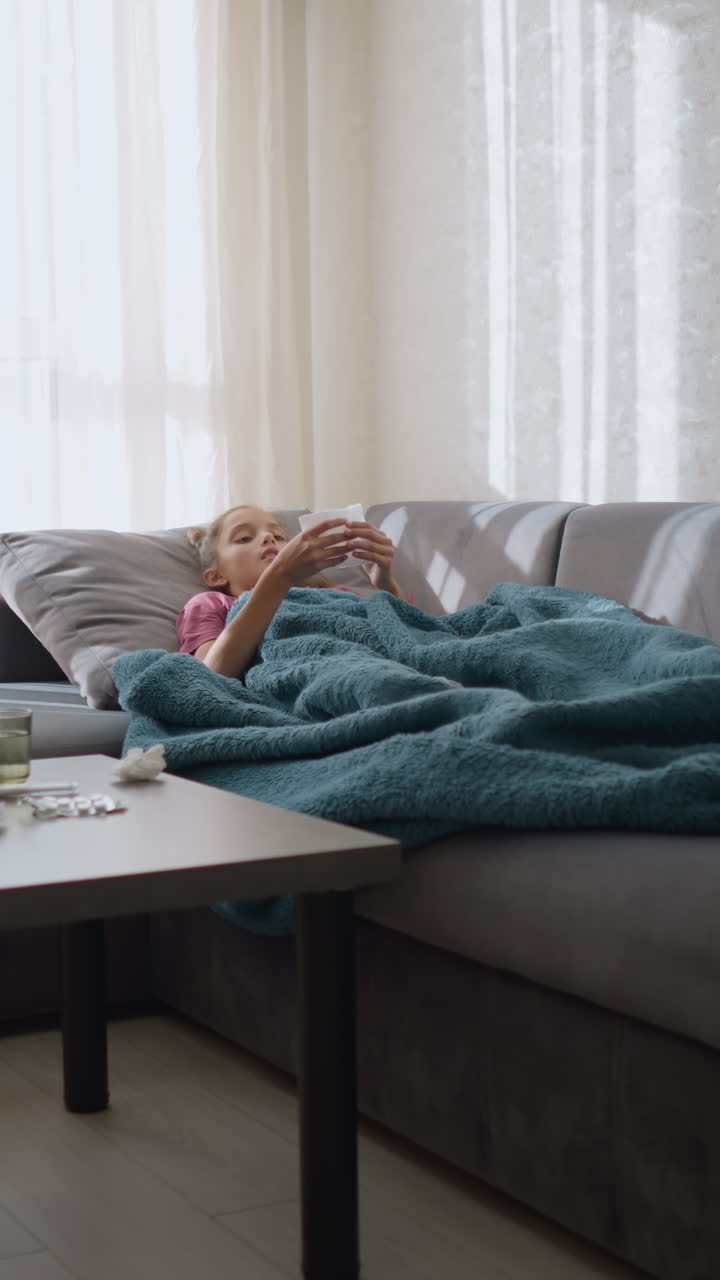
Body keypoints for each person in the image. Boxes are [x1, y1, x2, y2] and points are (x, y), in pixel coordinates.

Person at [177, 504, 403, 679]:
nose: (268, 539)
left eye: (278, 536)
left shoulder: (332, 594)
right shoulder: (211, 603)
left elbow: (407, 637)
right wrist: (279, 578)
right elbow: (209, 674)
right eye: (244, 538)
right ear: (216, 576)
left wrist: (384, 583)